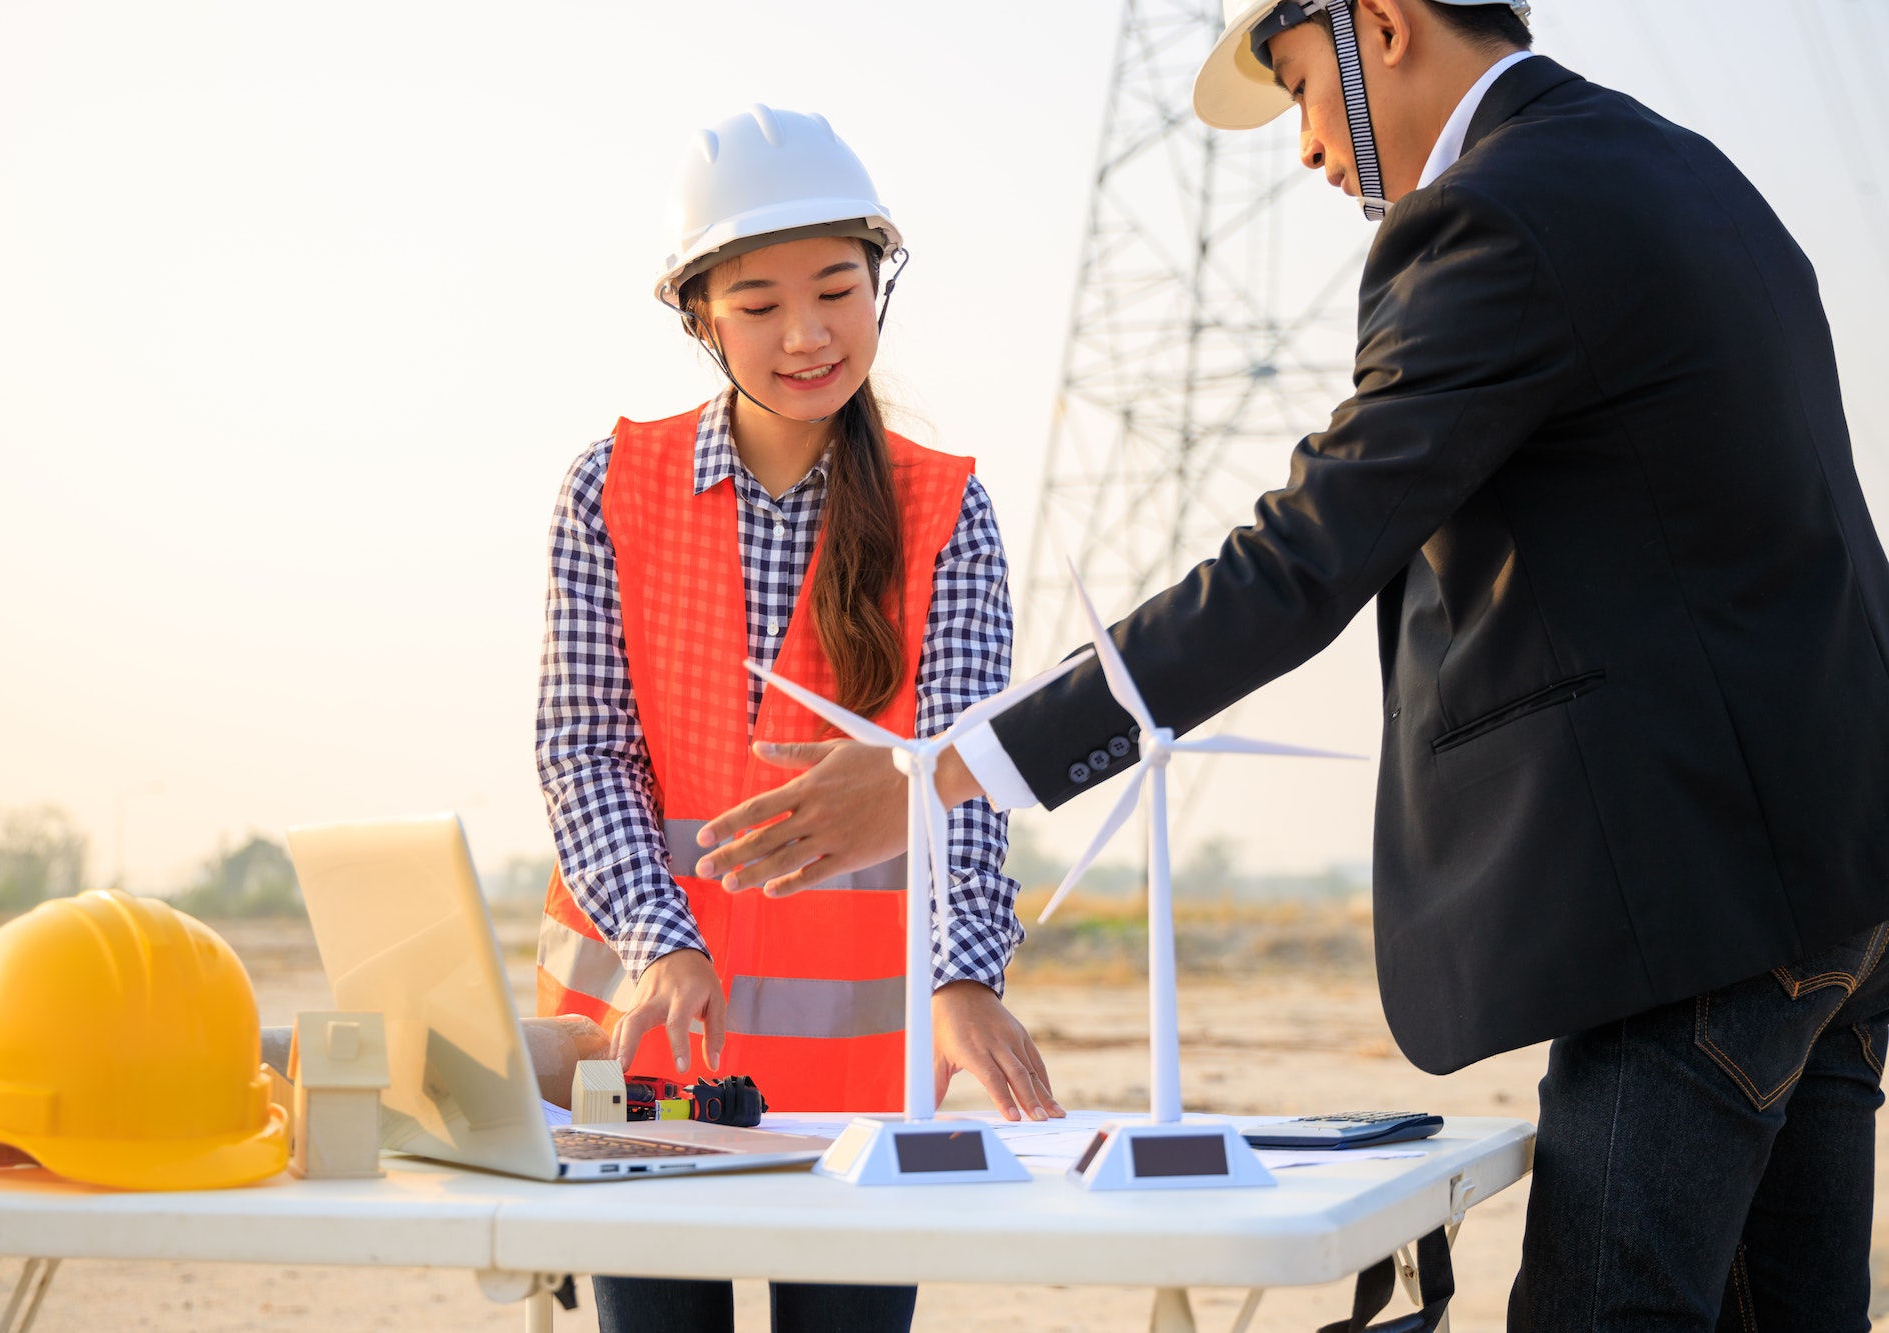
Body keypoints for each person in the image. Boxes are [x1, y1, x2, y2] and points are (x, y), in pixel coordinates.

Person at [691, 6, 1889, 1330]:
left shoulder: (1498, 214)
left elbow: (1299, 563)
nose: (1309, 146)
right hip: (1839, 869)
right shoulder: (1686, 169)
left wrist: (945, 773)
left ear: (1380, 25)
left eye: (1299, 81)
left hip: (1702, 897)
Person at [533, 104, 1061, 1333]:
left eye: (836, 288)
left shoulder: (946, 513)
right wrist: (661, 941)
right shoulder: (611, 486)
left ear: (883, 285)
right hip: (646, 1042)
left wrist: (966, 975)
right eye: (758, 303)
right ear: (699, 317)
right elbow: (583, 749)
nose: (806, 333)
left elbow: (962, 781)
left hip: (861, 1078)